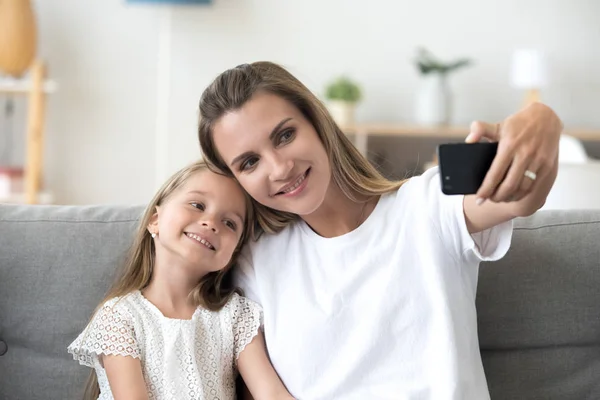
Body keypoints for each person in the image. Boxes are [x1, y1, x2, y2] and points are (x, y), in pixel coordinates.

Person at [196, 61, 562, 399]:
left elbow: (524, 198)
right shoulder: (254, 260)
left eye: (285, 135)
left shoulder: (427, 207)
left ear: (317, 122)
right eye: (249, 162)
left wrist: (543, 119)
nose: (279, 168)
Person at [67, 160, 294, 400]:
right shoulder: (120, 316)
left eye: (229, 223)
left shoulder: (236, 316)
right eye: (197, 205)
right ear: (155, 219)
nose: (211, 223)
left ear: (232, 255)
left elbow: (270, 392)